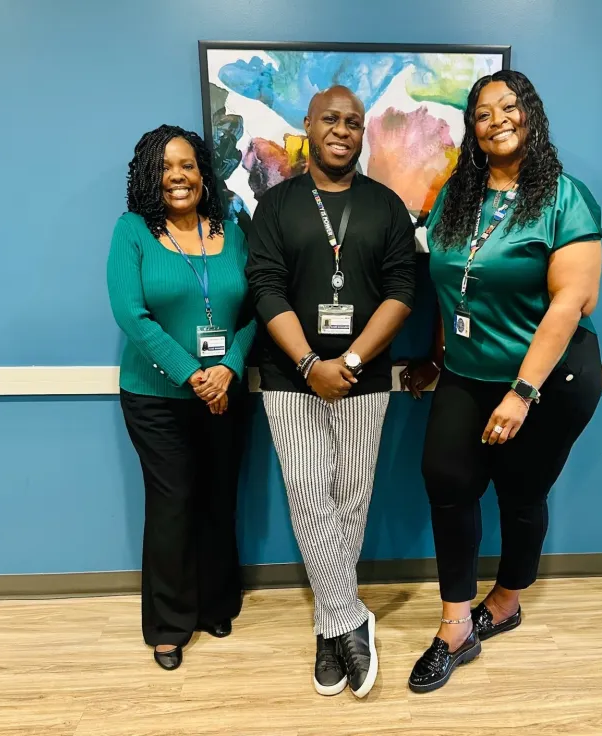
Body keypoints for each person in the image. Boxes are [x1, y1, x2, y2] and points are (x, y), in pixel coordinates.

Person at [401, 70, 602, 693]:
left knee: (520, 495)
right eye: (483, 113)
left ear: (531, 115)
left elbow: (573, 301)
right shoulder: (455, 198)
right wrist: (436, 356)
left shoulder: (567, 198)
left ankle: (508, 599)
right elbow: (448, 290)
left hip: (549, 379)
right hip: (466, 373)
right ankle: (456, 623)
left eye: (508, 108)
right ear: (473, 128)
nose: (497, 120)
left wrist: (522, 392)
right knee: (446, 480)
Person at [246, 86, 416, 698]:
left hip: (364, 377)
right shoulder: (278, 205)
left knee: (352, 499)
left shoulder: (387, 207)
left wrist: (346, 359)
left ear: (362, 131)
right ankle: (349, 619)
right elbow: (265, 287)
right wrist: (310, 362)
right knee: (310, 495)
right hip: (290, 378)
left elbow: (402, 293)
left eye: (353, 121)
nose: (342, 130)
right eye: (330, 120)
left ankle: (328, 626)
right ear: (309, 127)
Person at [107, 124, 256, 671]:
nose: (177, 175)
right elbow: (131, 314)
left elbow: (253, 310)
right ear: (150, 176)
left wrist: (230, 369)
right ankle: (168, 627)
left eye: (188, 165)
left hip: (226, 392)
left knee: (219, 498)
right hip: (156, 397)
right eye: (165, 167)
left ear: (202, 173)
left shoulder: (231, 231)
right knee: (172, 506)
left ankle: (216, 604)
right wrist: (194, 374)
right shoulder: (133, 232)